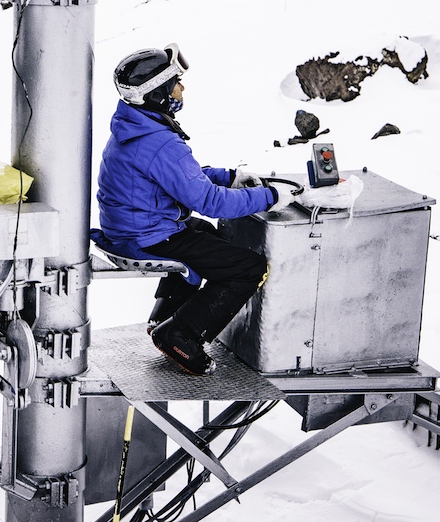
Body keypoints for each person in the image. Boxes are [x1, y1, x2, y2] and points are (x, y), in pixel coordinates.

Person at [93, 44, 297, 375]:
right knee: (247, 268)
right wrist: (271, 197)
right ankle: (181, 334)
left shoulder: (135, 125)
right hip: (146, 236)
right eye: (175, 82)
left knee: (205, 234)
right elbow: (210, 202)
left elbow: (176, 178)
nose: (182, 88)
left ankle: (165, 315)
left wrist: (230, 177)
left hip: (130, 227)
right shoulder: (159, 141)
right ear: (157, 93)